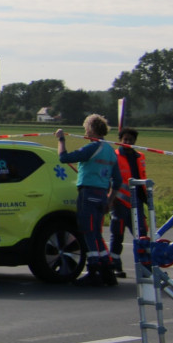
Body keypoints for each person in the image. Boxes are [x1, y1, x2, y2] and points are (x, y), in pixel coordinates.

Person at [56, 114, 122, 287]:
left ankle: (94, 270)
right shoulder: (110, 151)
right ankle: (107, 270)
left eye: (86, 127)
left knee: (88, 231)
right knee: (97, 233)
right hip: (101, 195)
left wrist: (61, 140)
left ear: (92, 128)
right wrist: (110, 199)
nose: (85, 131)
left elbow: (64, 158)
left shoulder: (92, 148)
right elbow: (118, 180)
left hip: (88, 193)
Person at [109, 127, 147, 278]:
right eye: (125, 139)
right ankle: (115, 265)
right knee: (117, 234)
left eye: (130, 140)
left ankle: (144, 266)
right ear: (120, 140)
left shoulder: (140, 156)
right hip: (119, 201)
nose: (128, 142)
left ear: (135, 141)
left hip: (137, 201)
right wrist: (110, 199)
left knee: (142, 235)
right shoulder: (115, 156)